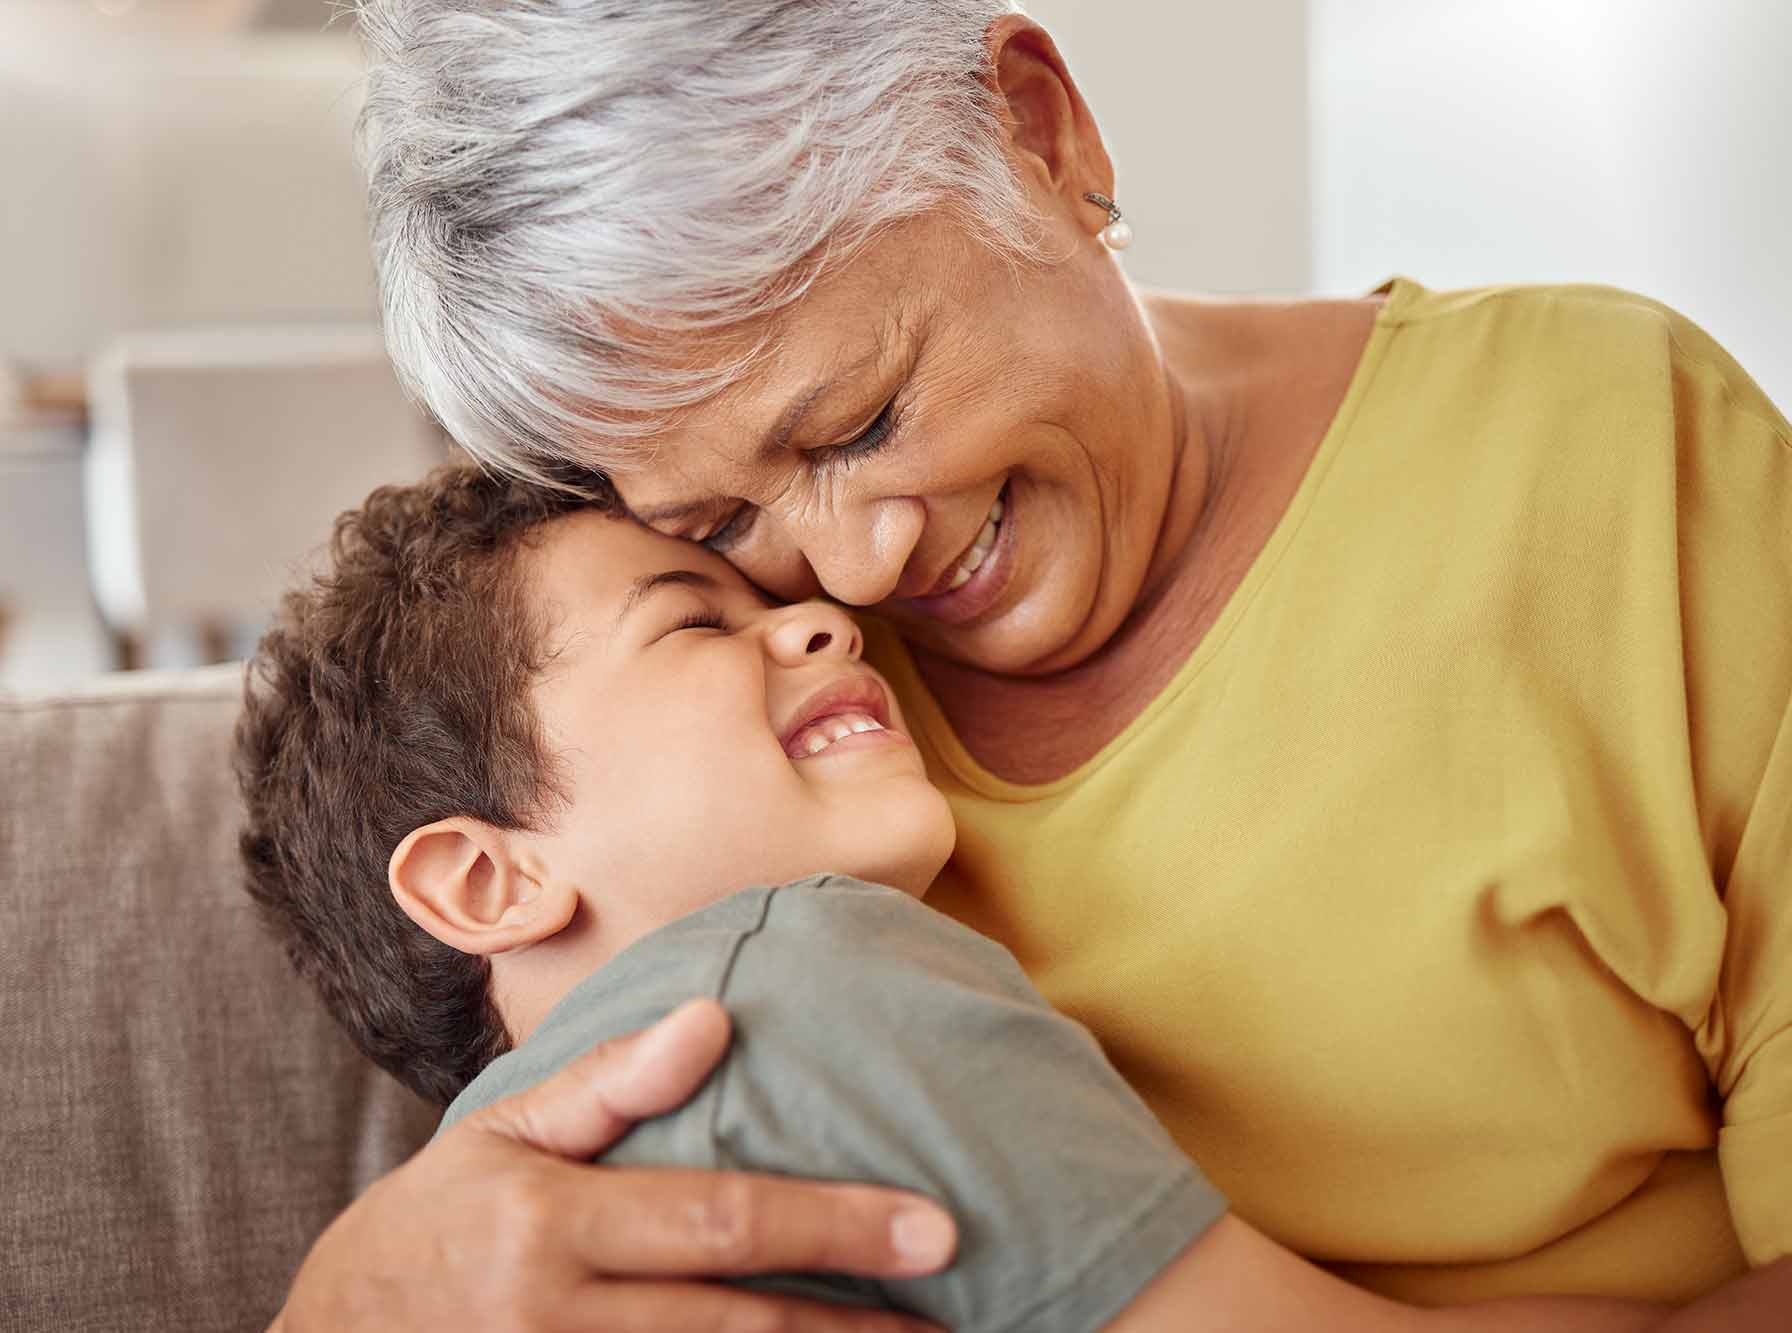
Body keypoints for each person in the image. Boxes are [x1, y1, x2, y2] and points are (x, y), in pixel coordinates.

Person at [279, 1, 1792, 1326]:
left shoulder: (1609, 450)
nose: (852, 575)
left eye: (864, 420)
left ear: (1038, 129)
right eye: (720, 524)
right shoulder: (739, 771)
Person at [236, 465, 1782, 1332]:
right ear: (487, 875)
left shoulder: (447, 1231)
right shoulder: (807, 983)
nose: (830, 622)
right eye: (694, 622)